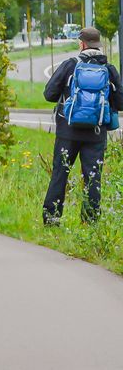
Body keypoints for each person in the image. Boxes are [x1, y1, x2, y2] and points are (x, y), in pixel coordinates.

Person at [42, 26, 123, 225]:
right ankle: (90, 221)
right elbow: (121, 103)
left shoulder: (70, 65)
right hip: (95, 133)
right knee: (92, 178)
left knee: (60, 174)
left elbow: (49, 94)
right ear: (98, 45)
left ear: (82, 44)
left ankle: (51, 218)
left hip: (67, 132)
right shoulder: (109, 69)